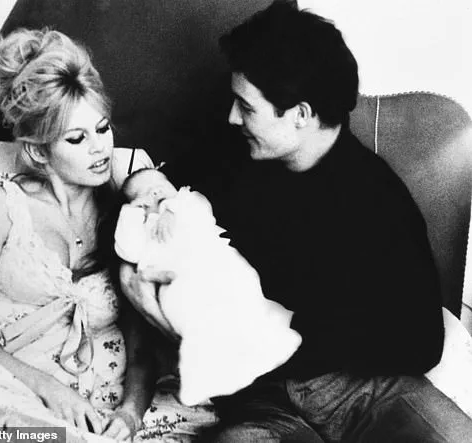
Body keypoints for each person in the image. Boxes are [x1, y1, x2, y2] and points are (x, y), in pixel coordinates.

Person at [120, 1, 472, 441]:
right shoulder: (227, 160)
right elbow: (145, 201)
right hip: (264, 400)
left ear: (301, 115)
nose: (232, 116)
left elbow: (422, 343)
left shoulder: (377, 201)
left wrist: (289, 340)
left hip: (368, 391)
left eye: (246, 107)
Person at [0, 28, 153, 441]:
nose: (100, 149)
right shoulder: (0, 208)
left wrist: (130, 413)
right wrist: (49, 389)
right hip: (13, 384)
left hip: (105, 390)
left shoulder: (127, 205)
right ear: (39, 151)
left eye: (103, 129)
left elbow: (142, 340)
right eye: (77, 138)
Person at [114, 167, 301, 406]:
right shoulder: (142, 227)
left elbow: (202, 210)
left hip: (214, 264)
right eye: (146, 192)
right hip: (176, 281)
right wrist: (131, 214)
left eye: (161, 184)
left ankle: (273, 339)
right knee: (189, 320)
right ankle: (202, 377)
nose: (156, 192)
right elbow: (128, 251)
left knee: (245, 292)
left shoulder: (187, 200)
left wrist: (172, 208)